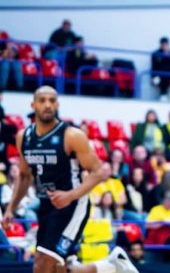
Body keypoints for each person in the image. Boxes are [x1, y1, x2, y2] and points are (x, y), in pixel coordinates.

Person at [2, 86, 137, 273]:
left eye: (52, 101)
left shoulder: (72, 136)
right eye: (42, 100)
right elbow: (25, 175)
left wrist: (70, 195)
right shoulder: (23, 137)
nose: (47, 105)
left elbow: (98, 172)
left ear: (57, 105)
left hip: (73, 205)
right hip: (47, 205)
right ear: (33, 105)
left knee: (42, 264)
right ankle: (111, 266)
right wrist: (11, 208)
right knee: (59, 268)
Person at [150, 37, 170, 102]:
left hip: (169, 76)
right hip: (158, 76)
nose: (164, 46)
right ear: (160, 45)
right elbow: (154, 67)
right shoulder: (156, 53)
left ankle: (163, 96)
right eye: (163, 44)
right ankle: (163, 95)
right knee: (159, 79)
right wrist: (153, 77)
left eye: (166, 44)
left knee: (167, 76)